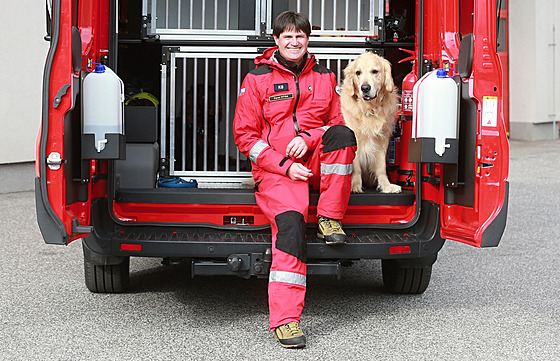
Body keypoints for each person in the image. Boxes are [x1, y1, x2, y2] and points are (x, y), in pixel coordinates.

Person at [233, 11, 357, 349]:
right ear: (276, 40)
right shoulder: (257, 79)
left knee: (343, 136)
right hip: (277, 173)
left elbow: (336, 122)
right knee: (289, 230)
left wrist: (308, 137)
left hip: (313, 159)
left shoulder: (325, 76)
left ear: (307, 39)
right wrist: (284, 165)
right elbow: (246, 138)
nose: (294, 41)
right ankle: (286, 321)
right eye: (287, 36)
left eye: (300, 35)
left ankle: (330, 217)